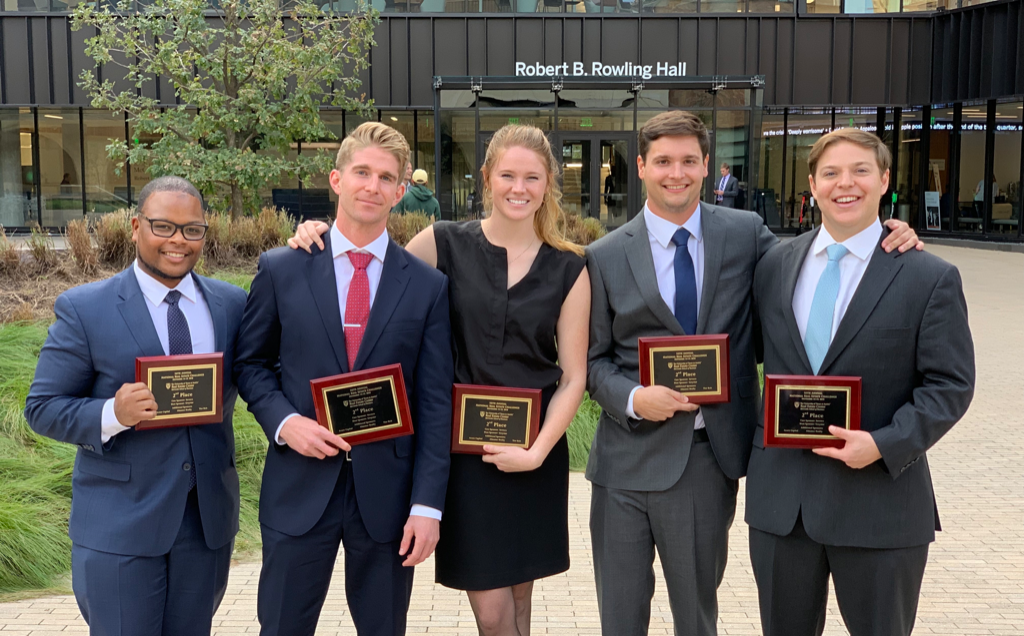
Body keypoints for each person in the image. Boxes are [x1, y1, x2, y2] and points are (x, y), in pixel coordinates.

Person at [584, 110, 922, 636]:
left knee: (697, 618)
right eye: (664, 161)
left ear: (706, 166)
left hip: (705, 460)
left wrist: (888, 233)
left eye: (689, 161)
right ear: (642, 167)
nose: (677, 173)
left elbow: (815, 260)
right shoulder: (603, 255)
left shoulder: (745, 235)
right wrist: (632, 398)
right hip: (623, 461)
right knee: (619, 620)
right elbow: (592, 361)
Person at [290, 123, 591, 636]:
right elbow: (375, 269)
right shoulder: (442, 242)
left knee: (521, 598)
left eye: (532, 178)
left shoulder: (570, 267)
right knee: (493, 613)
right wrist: (318, 233)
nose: (519, 188)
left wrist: (537, 452)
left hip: (533, 457)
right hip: (463, 460)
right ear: (487, 178)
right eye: (508, 175)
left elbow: (573, 377)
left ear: (548, 186)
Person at [745, 128, 976, 636]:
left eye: (860, 171)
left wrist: (883, 444)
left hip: (879, 506)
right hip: (783, 507)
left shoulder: (928, 276)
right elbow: (748, 356)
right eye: (830, 173)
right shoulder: (773, 265)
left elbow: (951, 385)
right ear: (812, 184)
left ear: (884, 180)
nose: (844, 184)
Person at [234, 122, 454, 636]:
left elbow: (434, 402)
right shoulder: (282, 269)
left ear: (400, 192)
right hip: (298, 486)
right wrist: (285, 423)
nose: (372, 186)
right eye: (362, 172)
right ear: (336, 179)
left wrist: (428, 506)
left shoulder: (427, 287)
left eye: (386, 178)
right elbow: (250, 363)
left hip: (387, 500)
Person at [24, 176, 245, 636]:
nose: (178, 241)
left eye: (192, 230)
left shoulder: (231, 304)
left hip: (204, 523)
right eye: (163, 226)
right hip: (120, 523)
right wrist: (112, 414)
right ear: (135, 226)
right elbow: (42, 407)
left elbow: (263, 375)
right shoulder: (85, 308)